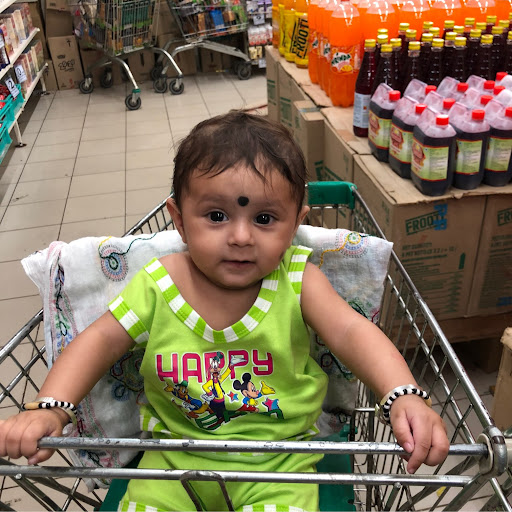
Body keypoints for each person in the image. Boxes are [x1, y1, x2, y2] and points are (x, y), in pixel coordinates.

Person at [0, 112, 449, 512]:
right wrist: (51, 408)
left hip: (281, 462)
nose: (240, 237)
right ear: (179, 219)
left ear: (296, 224)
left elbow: (352, 331)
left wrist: (402, 393)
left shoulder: (298, 280)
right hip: (171, 458)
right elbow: (98, 341)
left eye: (265, 219)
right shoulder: (159, 283)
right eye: (216, 216)